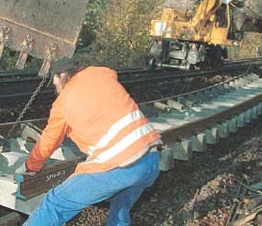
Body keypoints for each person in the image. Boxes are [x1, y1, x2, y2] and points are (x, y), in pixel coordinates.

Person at [18, 59, 162, 226]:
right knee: (120, 206)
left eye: (54, 81)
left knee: (54, 203)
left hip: (122, 166)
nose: (54, 87)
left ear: (62, 75)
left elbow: (49, 141)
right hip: (151, 159)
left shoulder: (64, 102)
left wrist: (31, 166)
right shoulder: (104, 78)